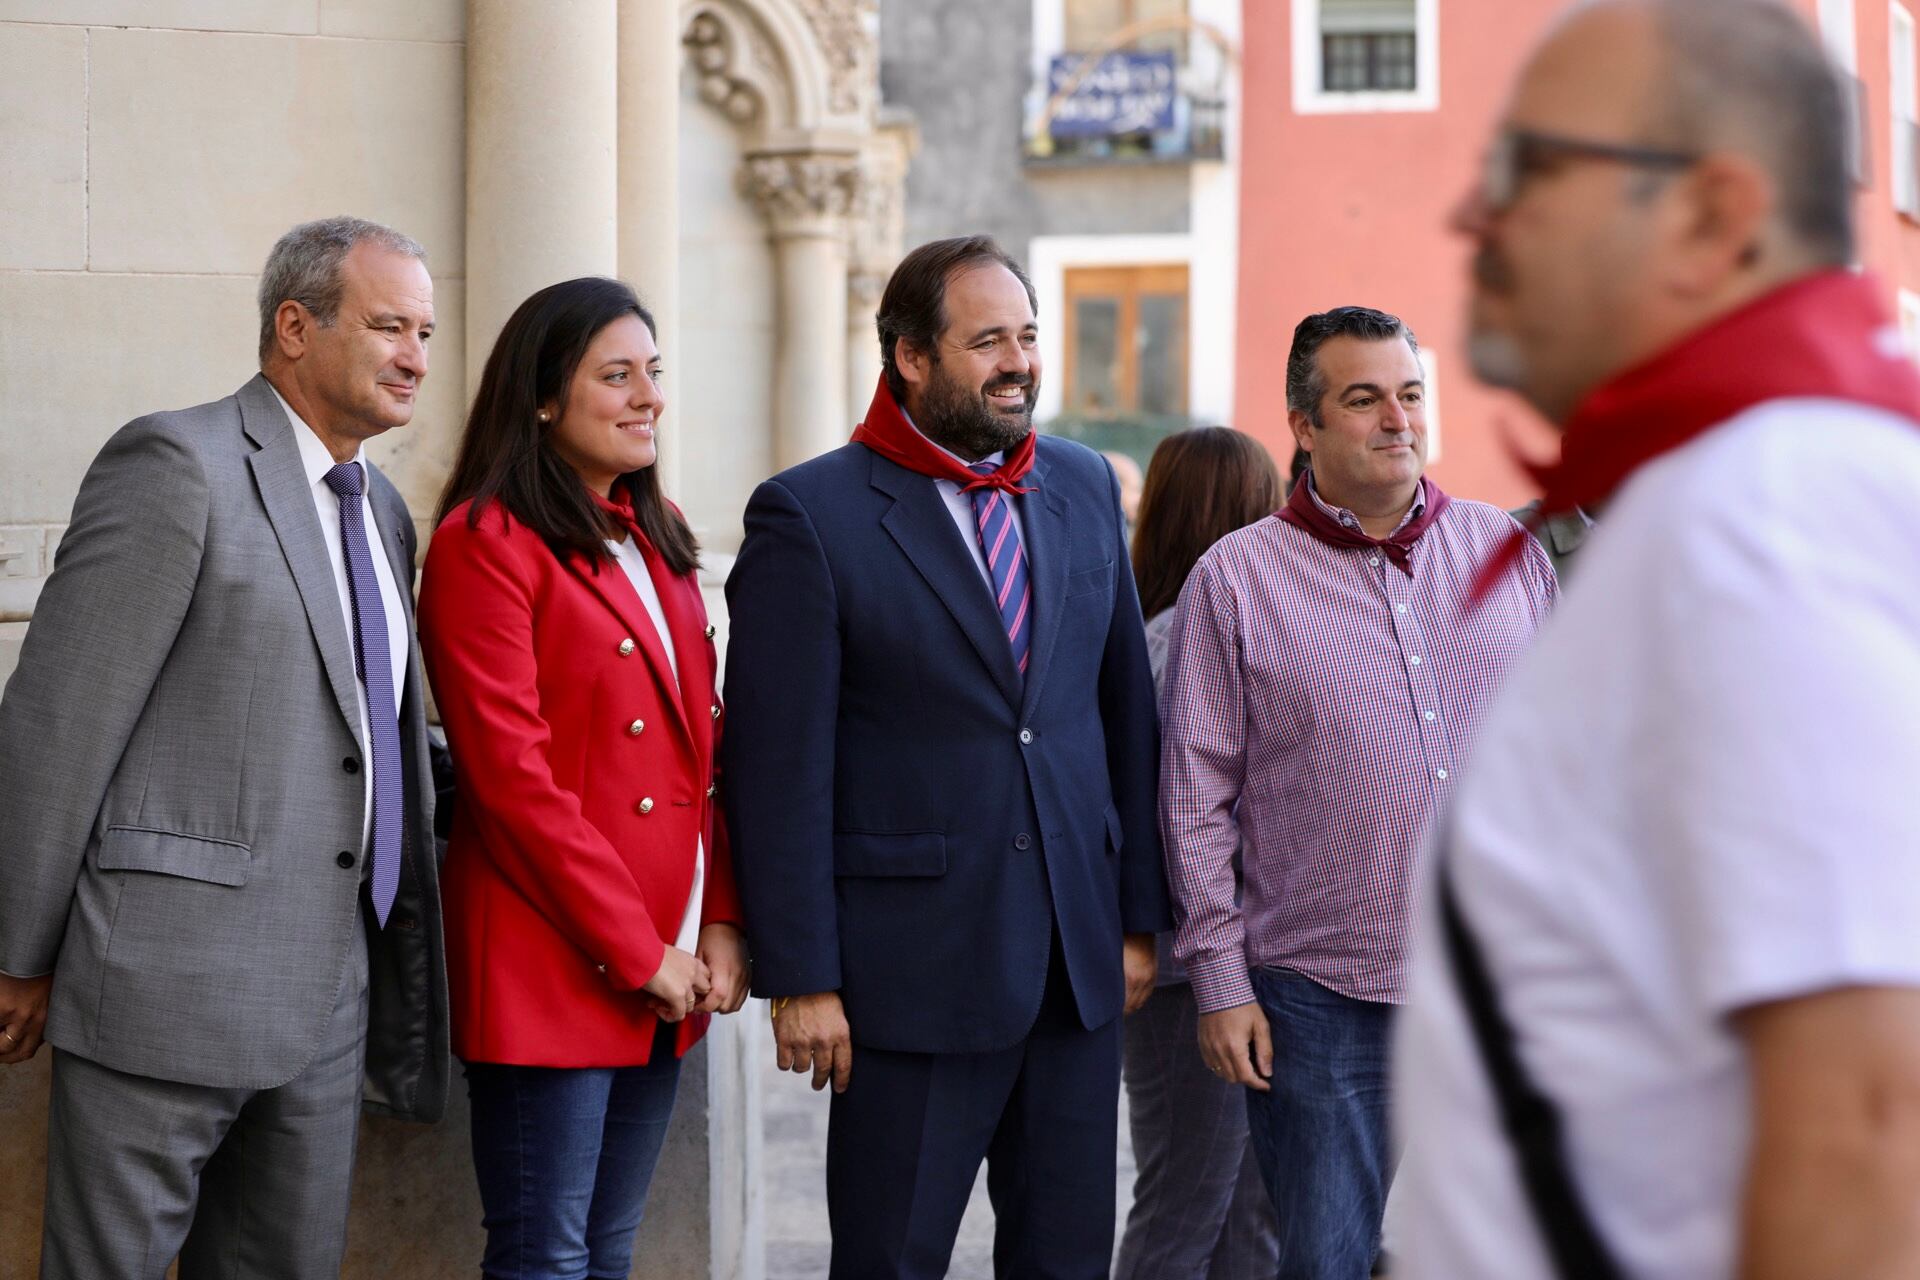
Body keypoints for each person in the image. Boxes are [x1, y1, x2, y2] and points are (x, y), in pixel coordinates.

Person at [1395, 1, 1920, 1277]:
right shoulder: (1765, 488)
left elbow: (1865, 1123)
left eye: (1529, 169)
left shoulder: (1761, 519)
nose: (1475, 218)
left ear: (1708, 216)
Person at [0, 216, 449, 1277]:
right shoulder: (176, 462)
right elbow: (60, 719)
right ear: (295, 326)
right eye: (390, 325)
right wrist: (18, 949)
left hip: (328, 999)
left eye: (425, 330)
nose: (417, 356)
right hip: (160, 987)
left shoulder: (381, 507)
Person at [723, 234, 1169, 1279]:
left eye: (1026, 335)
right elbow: (776, 766)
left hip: (1073, 963)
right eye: (987, 342)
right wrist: (804, 975)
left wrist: (1139, 916)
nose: (1018, 361)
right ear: (912, 355)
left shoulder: (1080, 485)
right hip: (905, 975)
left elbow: (1125, 713)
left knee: (1066, 1261)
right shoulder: (810, 514)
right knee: (891, 1258)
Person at [1159, 306, 1555, 1279]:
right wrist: (1219, 978)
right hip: (1321, 1001)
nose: (1396, 419)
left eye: (1411, 394)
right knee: (1327, 1257)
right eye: (1364, 398)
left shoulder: (1507, 552)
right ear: (1304, 425)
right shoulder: (1236, 580)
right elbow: (1195, 793)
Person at [419, 277, 749, 1279]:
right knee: (544, 1257)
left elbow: (707, 752)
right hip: (554, 954)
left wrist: (722, 921)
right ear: (543, 397)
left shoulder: (662, 534)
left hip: (666, 961)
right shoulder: (483, 542)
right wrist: (636, 946)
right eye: (617, 374)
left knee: (607, 1254)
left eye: (653, 372)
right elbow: (509, 777)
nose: (648, 394)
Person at [1115, 427, 1282, 1280]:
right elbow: (1186, 814)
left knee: (1241, 1213)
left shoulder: (1162, 630)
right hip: (1193, 971)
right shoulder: (1185, 635)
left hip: (1221, 963)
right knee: (1192, 1206)